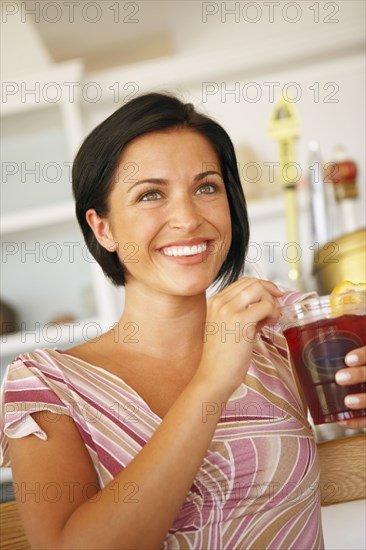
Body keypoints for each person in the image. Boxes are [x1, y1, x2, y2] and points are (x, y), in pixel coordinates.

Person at [1, 93, 365, 550]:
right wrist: (212, 382)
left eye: (206, 187)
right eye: (151, 194)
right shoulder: (46, 386)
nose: (188, 218)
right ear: (102, 228)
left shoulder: (279, 330)